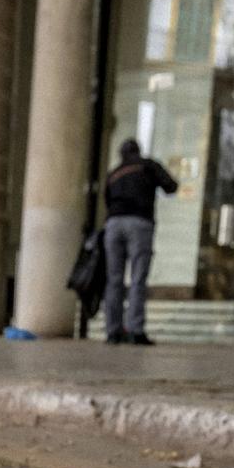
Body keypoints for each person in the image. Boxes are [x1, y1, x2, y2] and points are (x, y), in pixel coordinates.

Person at [100, 139, 178, 346]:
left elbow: (106, 200)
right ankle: (135, 330)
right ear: (138, 151)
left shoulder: (114, 173)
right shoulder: (148, 165)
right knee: (137, 278)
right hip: (139, 222)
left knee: (114, 279)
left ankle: (113, 331)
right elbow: (171, 186)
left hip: (114, 223)